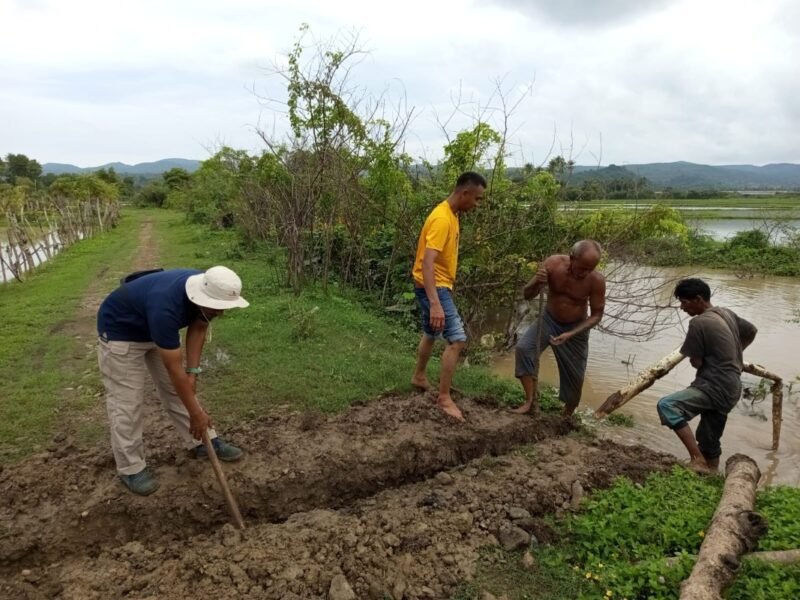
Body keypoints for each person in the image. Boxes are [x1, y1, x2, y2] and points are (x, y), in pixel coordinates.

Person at [96, 266, 249, 495]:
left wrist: (193, 372)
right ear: (203, 298)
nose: (222, 313)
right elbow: (174, 369)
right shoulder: (165, 308)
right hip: (121, 332)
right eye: (218, 308)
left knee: (180, 391)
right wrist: (195, 411)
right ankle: (131, 468)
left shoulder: (207, 288)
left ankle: (202, 442)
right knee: (127, 403)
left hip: (153, 326)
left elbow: (199, 327)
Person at [656, 278, 757, 474]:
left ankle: (697, 460)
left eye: (684, 302)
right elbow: (751, 330)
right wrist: (736, 353)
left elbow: (697, 362)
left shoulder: (698, 323)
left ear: (698, 299)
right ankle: (711, 471)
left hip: (714, 385)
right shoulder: (725, 312)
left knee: (668, 406)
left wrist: (712, 355)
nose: (682, 308)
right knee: (708, 437)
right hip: (732, 387)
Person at [410, 171, 486, 421]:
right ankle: (444, 398)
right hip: (435, 287)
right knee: (457, 340)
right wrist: (435, 303)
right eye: (476, 199)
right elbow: (427, 263)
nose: (477, 205)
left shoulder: (451, 215)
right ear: (464, 193)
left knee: (432, 332)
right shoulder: (442, 219)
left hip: (434, 286)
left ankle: (419, 376)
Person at [513, 240, 606, 417]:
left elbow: (596, 315)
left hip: (576, 327)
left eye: (590, 269)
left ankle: (567, 415)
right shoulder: (552, 265)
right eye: (582, 268)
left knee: (575, 375)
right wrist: (537, 283)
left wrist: (570, 333)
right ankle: (530, 402)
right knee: (524, 349)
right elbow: (527, 294)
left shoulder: (596, 280)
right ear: (572, 258)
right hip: (549, 319)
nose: (585, 273)